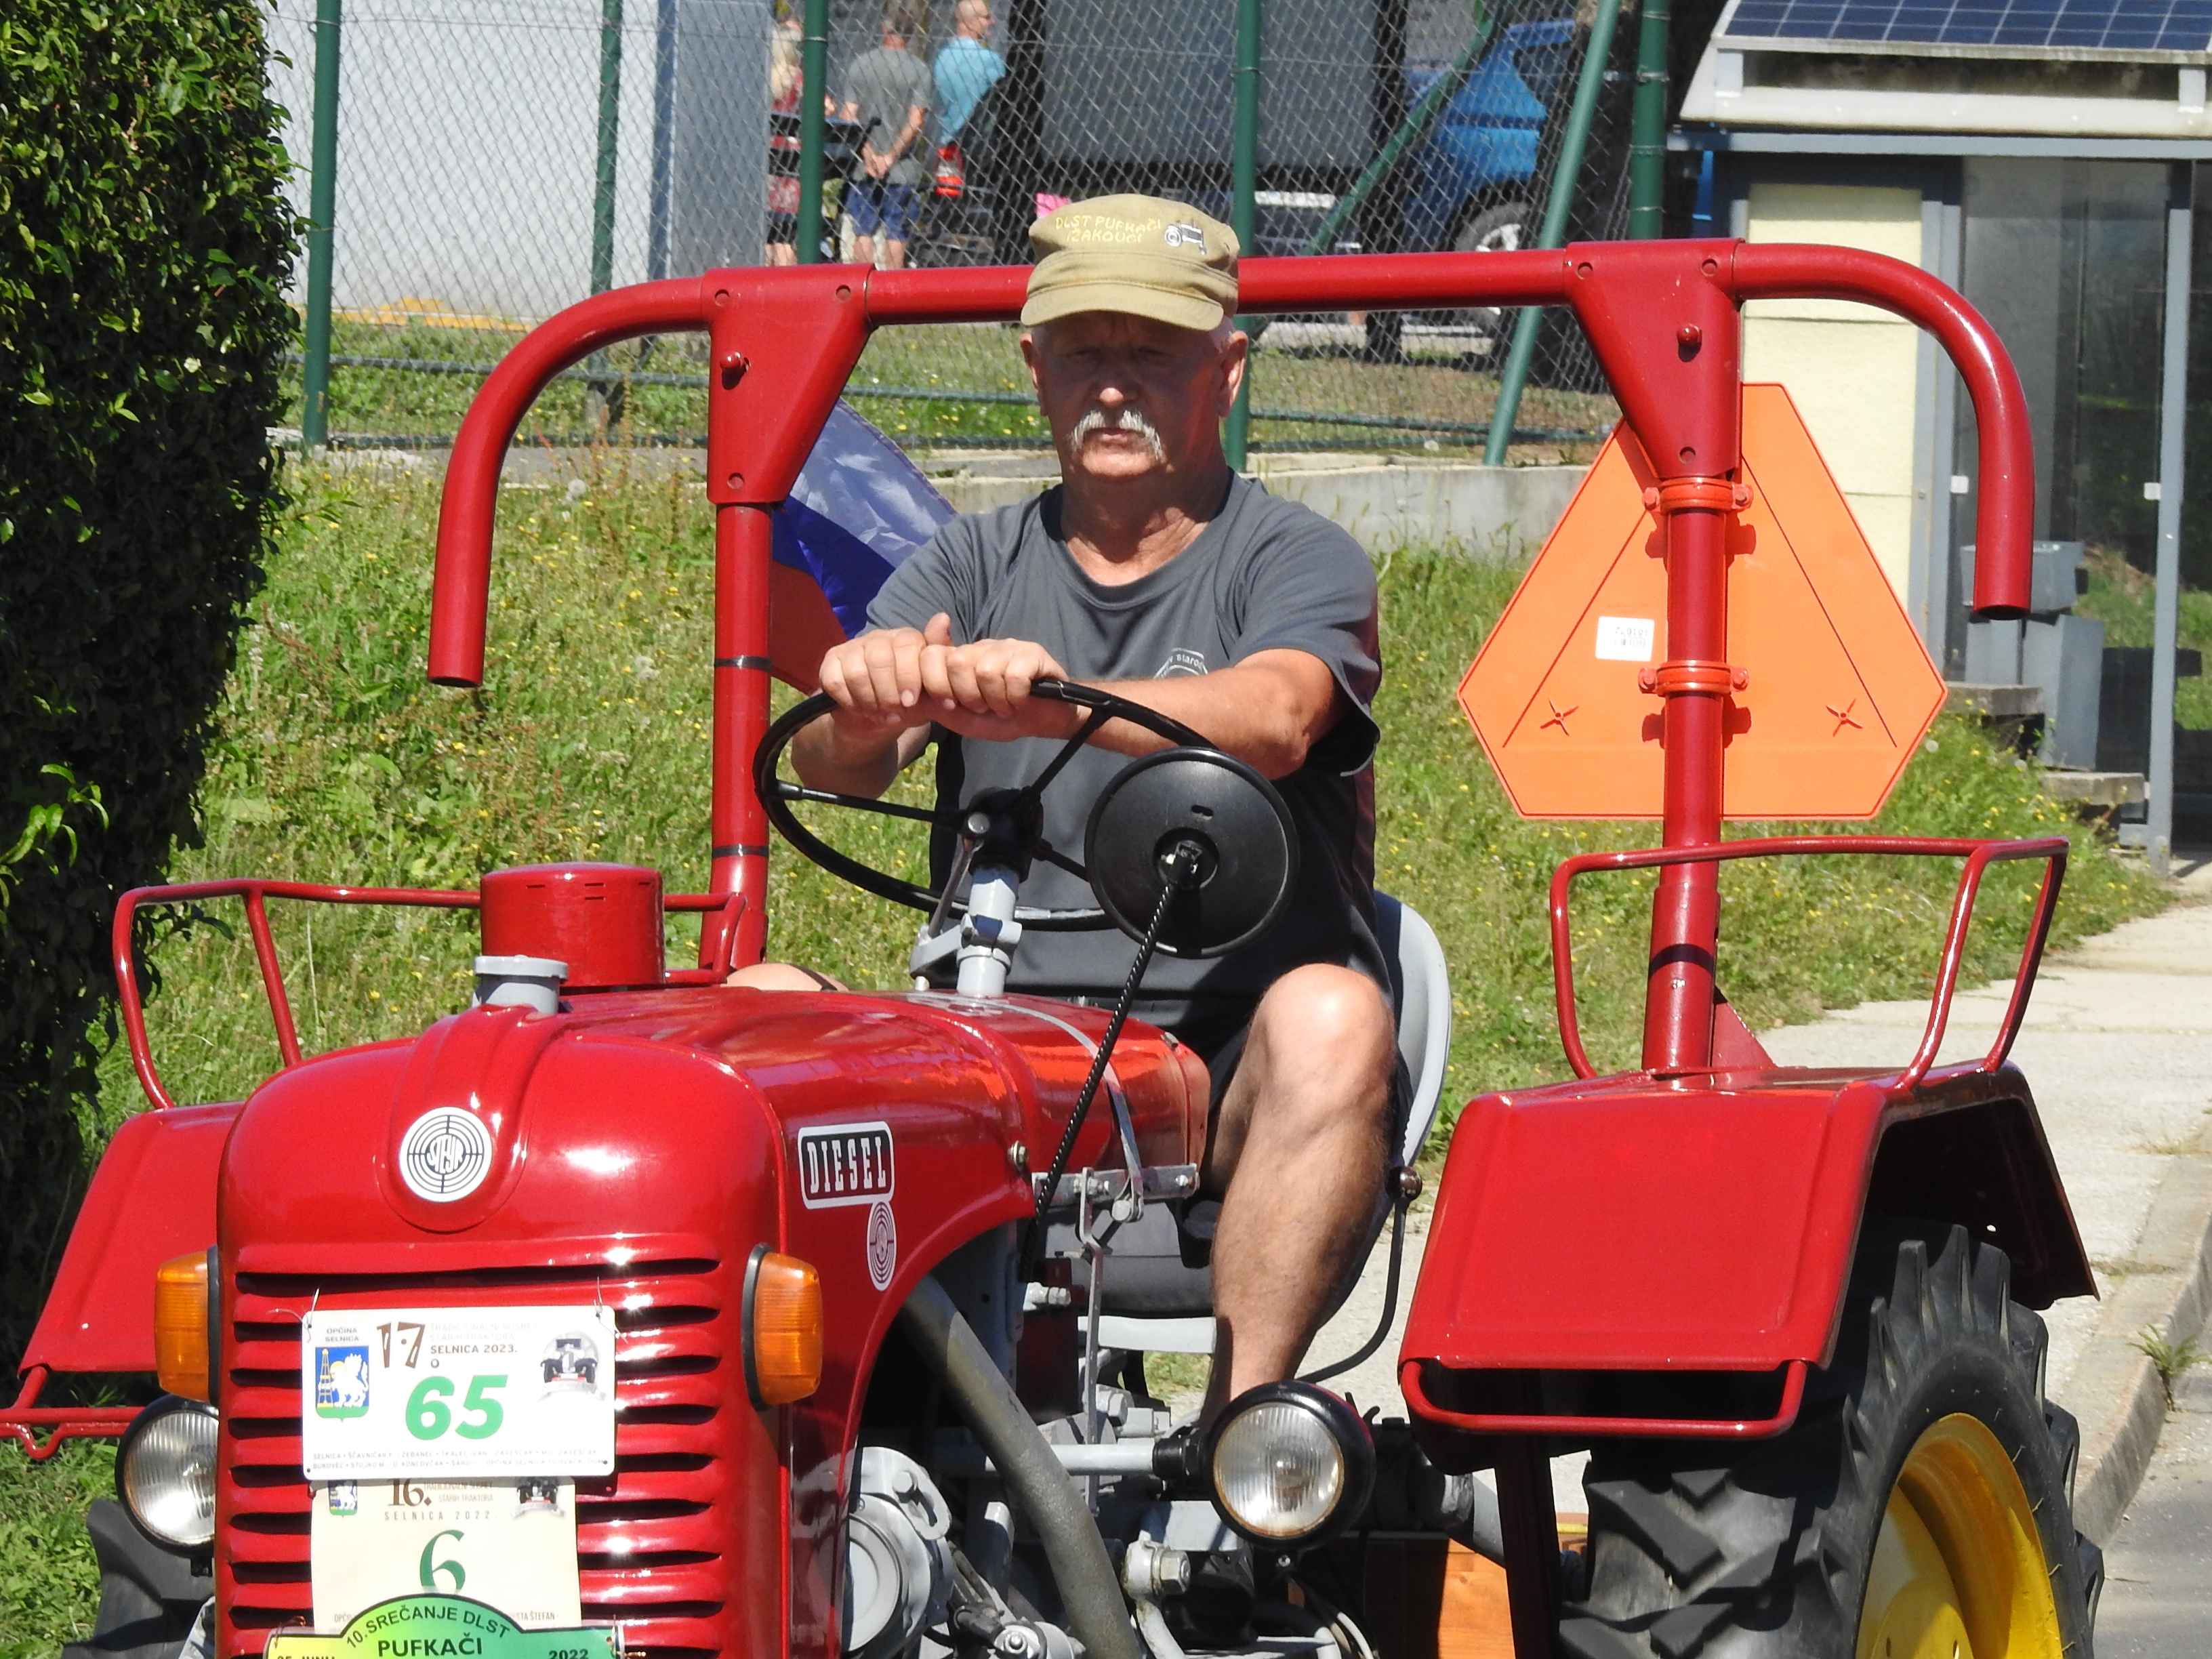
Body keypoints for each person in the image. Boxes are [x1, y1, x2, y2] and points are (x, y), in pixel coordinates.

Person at [735, 196, 1397, 1419]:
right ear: (1034, 367)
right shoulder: (965, 562)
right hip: (986, 1053)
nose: (1111, 386)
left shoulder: (1292, 558)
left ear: (1227, 370)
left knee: (1331, 1016)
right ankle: (808, 1463)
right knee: (753, 1013)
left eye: (1150, 352)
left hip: (1213, 1064)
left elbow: (1276, 713)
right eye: (1084, 351)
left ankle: (1241, 1448)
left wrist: (1054, 698)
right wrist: (869, 701)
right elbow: (835, 769)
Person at [840, 3, 933, 270]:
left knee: (863, 231)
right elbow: (916, 120)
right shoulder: (919, 71)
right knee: (897, 233)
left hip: (864, 168)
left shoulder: (861, 65)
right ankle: (892, 295)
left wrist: (868, 154)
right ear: (912, 32)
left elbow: (849, 116)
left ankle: (863, 289)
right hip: (902, 169)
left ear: (884, 27)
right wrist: (891, 157)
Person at [932, 0, 1004, 147]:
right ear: (971, 22)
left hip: (947, 141)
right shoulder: (989, 60)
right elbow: (1004, 100)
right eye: (987, 17)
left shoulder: (941, 57)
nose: (993, 21)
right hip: (980, 144)